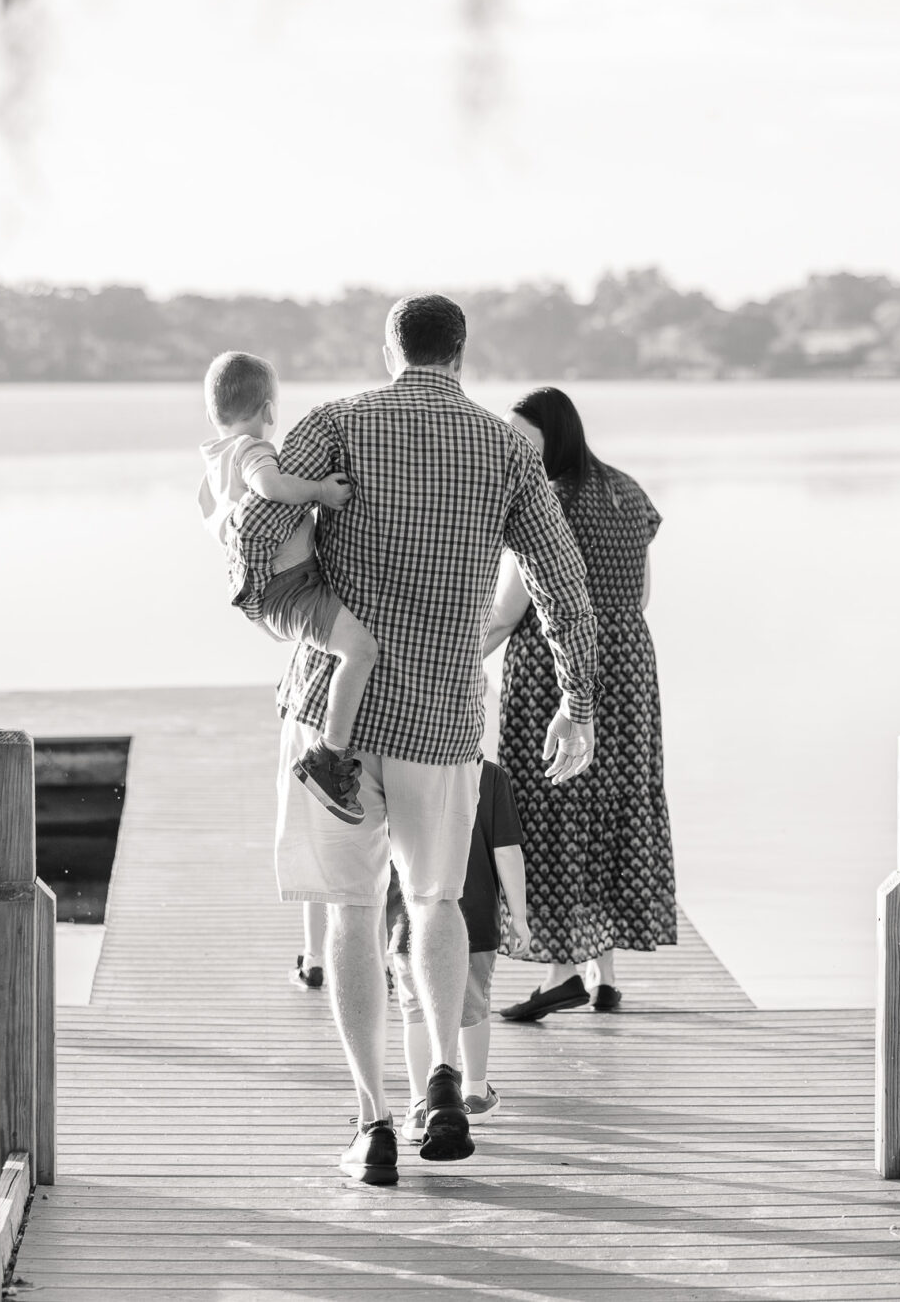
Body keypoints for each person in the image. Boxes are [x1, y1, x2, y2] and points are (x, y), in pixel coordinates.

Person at [228, 295, 598, 1187]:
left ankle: (372, 1121)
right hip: (442, 717)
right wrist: (576, 700)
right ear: (461, 354)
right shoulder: (510, 447)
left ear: (390, 349)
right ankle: (442, 1076)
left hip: (337, 725)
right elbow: (561, 577)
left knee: (354, 911)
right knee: (435, 901)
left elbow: (257, 529)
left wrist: (298, 608)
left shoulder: (337, 422)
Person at [484, 386, 676, 1021]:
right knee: (611, 808)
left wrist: (443, 657)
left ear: (549, 436)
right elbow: (642, 596)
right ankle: (604, 975)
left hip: (554, 671)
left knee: (552, 811)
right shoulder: (625, 491)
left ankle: (562, 974)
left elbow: (508, 614)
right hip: (627, 666)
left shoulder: (542, 501)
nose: (514, 445)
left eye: (522, 435)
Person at [198, 350, 379, 824]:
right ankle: (328, 757)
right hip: (289, 588)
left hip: (273, 591)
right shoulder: (253, 451)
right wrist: (319, 491)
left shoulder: (213, 465)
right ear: (270, 412)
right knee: (360, 650)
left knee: (328, 643)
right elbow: (270, 489)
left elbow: (223, 532)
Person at [388, 755, 530, 1138]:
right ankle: (475, 1091)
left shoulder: (391, 771)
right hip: (475, 919)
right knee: (472, 1006)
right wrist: (519, 917)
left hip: (408, 924)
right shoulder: (489, 775)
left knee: (417, 1011)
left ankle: (420, 1103)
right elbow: (507, 851)